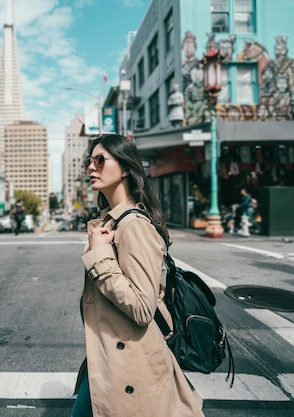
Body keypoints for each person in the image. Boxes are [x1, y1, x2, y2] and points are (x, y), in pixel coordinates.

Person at [72, 134, 204, 417]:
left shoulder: (134, 225)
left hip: (130, 362)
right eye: (89, 162)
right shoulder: (114, 222)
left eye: (100, 160)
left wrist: (100, 257)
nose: (91, 168)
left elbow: (142, 308)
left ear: (126, 168)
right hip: (111, 353)